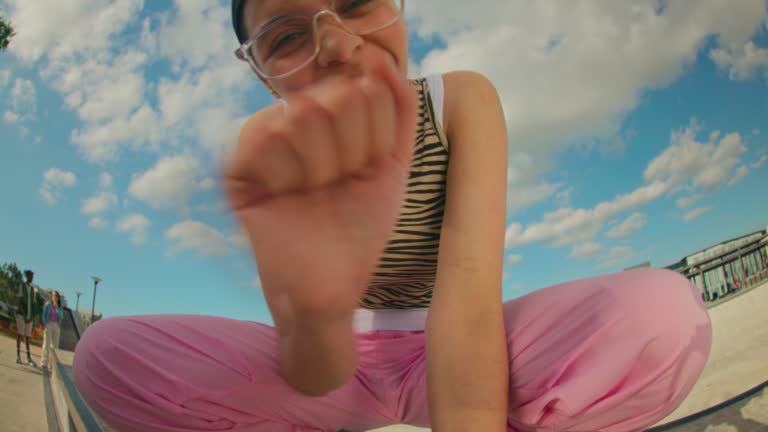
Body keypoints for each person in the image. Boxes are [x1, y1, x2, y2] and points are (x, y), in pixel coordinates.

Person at [72, 1, 713, 431]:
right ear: (264, 77)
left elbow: (468, 297)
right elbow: (308, 355)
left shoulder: (460, 100)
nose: (337, 45)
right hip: (336, 372)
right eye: (288, 36)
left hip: (456, 341)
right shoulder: (267, 149)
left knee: (664, 314)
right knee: (106, 355)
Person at [15, 269, 37, 367]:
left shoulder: (32, 289)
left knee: (27, 337)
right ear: (27, 276)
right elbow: (19, 302)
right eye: (30, 276)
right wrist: (24, 315)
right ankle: (18, 356)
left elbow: (33, 304)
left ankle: (28, 357)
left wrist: (31, 317)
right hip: (21, 315)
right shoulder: (22, 286)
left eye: (32, 276)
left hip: (29, 317)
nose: (32, 278)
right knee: (20, 334)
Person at [40, 290, 63, 371]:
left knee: (55, 345)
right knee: (46, 343)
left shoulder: (59, 307)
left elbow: (61, 317)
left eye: (56, 296)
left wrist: (57, 307)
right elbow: (44, 314)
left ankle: (51, 363)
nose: (55, 297)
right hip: (49, 324)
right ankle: (44, 362)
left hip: (56, 325)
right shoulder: (48, 305)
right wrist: (45, 323)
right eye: (53, 295)